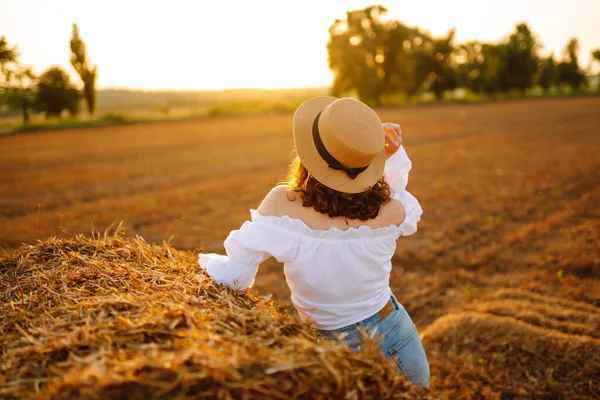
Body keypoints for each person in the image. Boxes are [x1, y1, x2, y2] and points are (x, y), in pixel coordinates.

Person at [198, 96, 430, 389]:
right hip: (396, 336)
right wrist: (392, 155)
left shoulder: (283, 204)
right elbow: (395, 188)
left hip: (328, 349)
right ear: (369, 164)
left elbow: (236, 276)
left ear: (311, 153)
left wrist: (203, 270)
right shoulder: (394, 210)